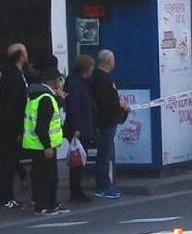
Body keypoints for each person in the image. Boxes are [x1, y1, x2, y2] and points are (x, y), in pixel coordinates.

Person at [23, 56, 67, 215]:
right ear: (54, 81)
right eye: (58, 79)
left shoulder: (38, 95)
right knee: (46, 177)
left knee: (47, 176)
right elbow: (42, 126)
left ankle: (51, 203)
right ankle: (43, 206)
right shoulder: (46, 98)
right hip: (43, 145)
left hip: (38, 144)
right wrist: (47, 145)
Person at [93, 50, 129, 199]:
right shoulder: (102, 79)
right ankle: (103, 185)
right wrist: (120, 105)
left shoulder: (99, 77)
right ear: (109, 61)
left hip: (107, 121)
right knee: (104, 154)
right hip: (106, 121)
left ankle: (108, 183)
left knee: (108, 153)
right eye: (113, 60)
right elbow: (106, 101)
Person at [63, 55, 96, 203]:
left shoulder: (79, 82)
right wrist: (76, 127)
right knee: (77, 160)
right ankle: (76, 192)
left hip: (81, 126)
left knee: (79, 160)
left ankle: (77, 191)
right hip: (78, 127)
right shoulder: (76, 84)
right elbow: (74, 107)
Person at [0, 43, 29, 209]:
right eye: (24, 52)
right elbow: (11, 105)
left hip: (12, 126)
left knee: (11, 161)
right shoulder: (12, 76)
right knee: (8, 163)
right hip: (10, 128)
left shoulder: (19, 74)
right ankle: (6, 197)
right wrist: (17, 128)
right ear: (20, 55)